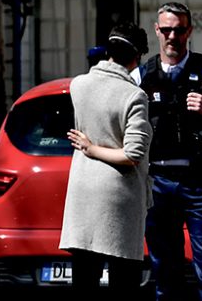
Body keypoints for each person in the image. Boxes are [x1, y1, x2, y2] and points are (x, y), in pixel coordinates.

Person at [131, 2, 202, 300]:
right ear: (157, 31)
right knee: (164, 269)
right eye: (167, 30)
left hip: (197, 181)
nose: (173, 36)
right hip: (156, 182)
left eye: (179, 30)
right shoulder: (140, 76)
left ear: (189, 31)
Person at [60, 21, 153, 297]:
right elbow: (133, 154)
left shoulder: (79, 85)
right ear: (136, 58)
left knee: (84, 279)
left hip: (81, 194)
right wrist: (92, 149)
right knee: (123, 282)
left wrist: (88, 147)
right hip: (118, 198)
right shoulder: (134, 95)